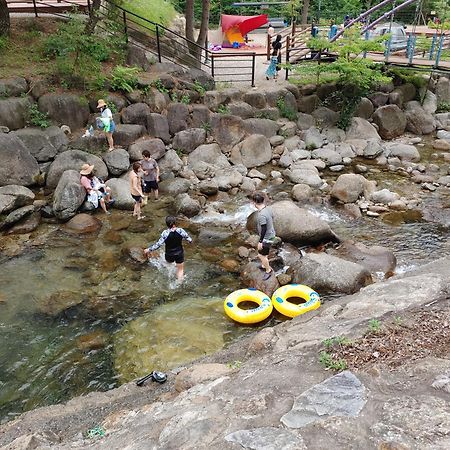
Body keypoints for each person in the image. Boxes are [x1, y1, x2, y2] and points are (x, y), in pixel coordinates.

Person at [144, 216, 192, 281]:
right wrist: (189, 241)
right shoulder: (180, 231)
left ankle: (170, 276)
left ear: (167, 224)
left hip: (169, 254)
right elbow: (189, 239)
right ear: (175, 223)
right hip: (179, 253)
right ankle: (179, 282)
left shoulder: (165, 233)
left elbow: (158, 244)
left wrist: (149, 249)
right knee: (180, 269)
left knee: (169, 265)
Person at [252, 192, 276, 280]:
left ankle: (268, 270)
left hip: (267, 238)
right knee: (264, 254)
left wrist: (260, 242)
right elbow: (273, 217)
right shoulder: (268, 208)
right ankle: (264, 264)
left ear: (254, 202)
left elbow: (264, 229)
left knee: (261, 255)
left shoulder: (261, 215)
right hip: (271, 234)